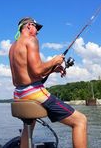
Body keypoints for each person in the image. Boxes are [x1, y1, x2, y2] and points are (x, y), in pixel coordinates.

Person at [9, 17, 87, 148]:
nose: (37, 32)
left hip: (19, 94)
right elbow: (37, 71)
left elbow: (29, 74)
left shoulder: (13, 47)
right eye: (36, 27)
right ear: (28, 26)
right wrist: (54, 61)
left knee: (28, 126)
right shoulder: (31, 40)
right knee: (80, 121)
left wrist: (52, 70)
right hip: (33, 93)